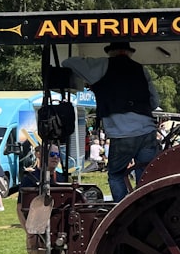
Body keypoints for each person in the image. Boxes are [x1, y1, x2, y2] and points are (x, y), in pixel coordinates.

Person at [63, 41, 160, 202]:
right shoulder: (141, 69)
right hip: (147, 131)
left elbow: (68, 62)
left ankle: (123, 212)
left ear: (110, 52)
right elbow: (155, 102)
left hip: (121, 133)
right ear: (129, 52)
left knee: (116, 175)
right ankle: (147, 210)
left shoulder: (101, 66)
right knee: (146, 177)